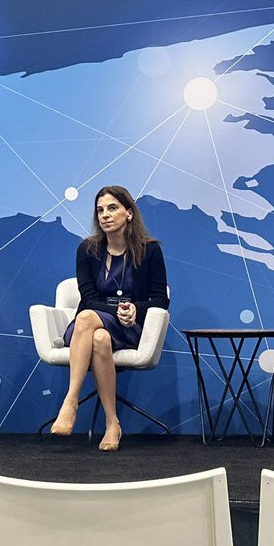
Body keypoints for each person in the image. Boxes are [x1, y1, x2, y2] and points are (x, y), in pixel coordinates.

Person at [49, 186, 168, 451]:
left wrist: (136, 309)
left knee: (90, 322)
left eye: (112, 208)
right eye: (100, 210)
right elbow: (88, 298)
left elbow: (161, 299)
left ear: (129, 213)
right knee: (97, 334)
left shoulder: (150, 251)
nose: (105, 215)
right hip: (88, 324)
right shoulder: (87, 249)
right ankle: (111, 422)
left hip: (128, 328)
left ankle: (70, 402)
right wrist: (117, 311)